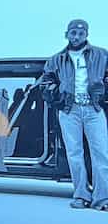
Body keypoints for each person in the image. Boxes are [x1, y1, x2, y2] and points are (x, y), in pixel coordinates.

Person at [41, 18, 108, 209]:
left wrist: (102, 94)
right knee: (74, 154)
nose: (77, 36)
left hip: (94, 110)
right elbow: (46, 83)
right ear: (67, 34)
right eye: (73, 33)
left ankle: (102, 199)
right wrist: (60, 99)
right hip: (70, 111)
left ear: (86, 35)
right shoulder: (56, 59)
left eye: (81, 33)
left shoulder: (102, 55)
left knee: (102, 153)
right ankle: (81, 196)